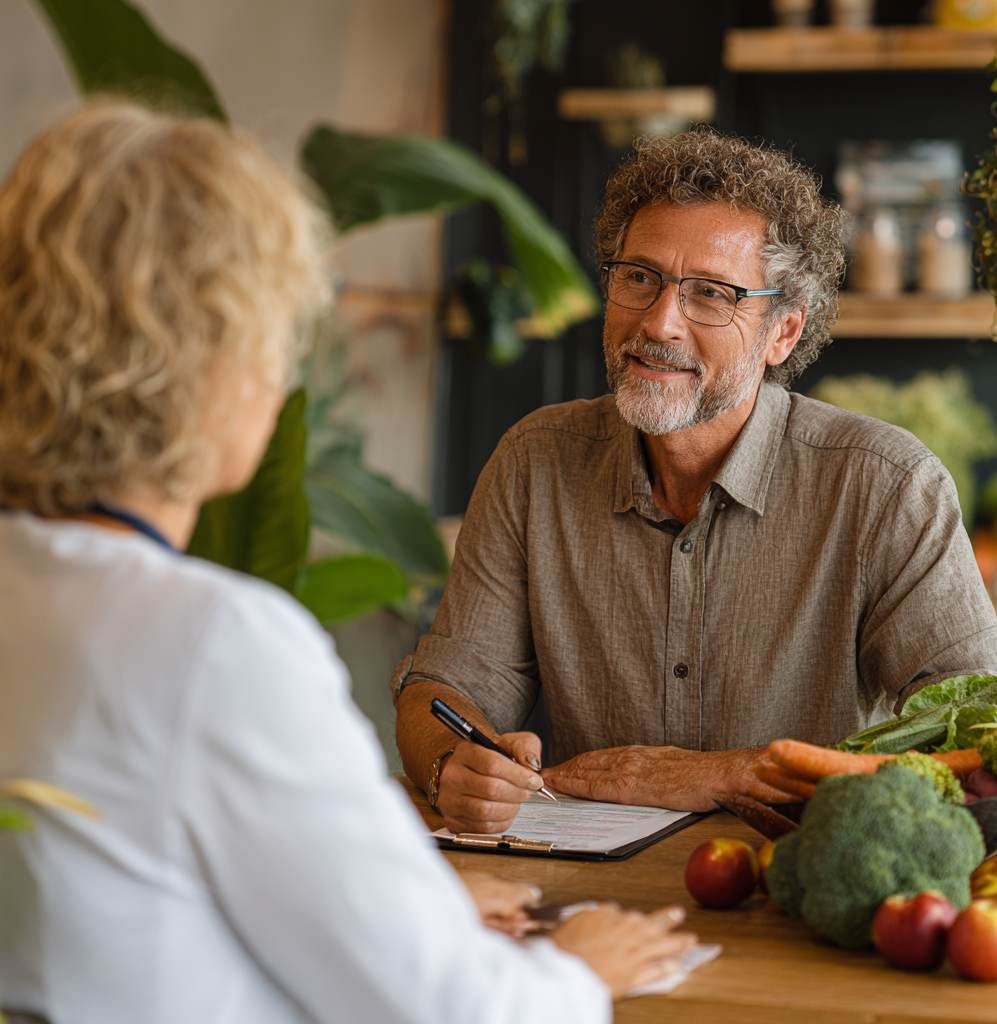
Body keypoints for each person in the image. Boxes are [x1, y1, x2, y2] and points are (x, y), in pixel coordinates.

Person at [0, 103, 695, 1024]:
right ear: (212, 360)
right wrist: (579, 969)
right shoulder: (213, 644)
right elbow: (453, 1011)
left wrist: (424, 907)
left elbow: (140, 885)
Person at [394, 130, 997, 836]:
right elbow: (441, 690)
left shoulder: (889, 487)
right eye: (639, 277)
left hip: (795, 895)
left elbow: (987, 740)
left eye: (712, 295)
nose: (660, 322)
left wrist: (730, 773)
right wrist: (455, 763)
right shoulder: (533, 462)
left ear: (782, 332)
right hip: (583, 901)